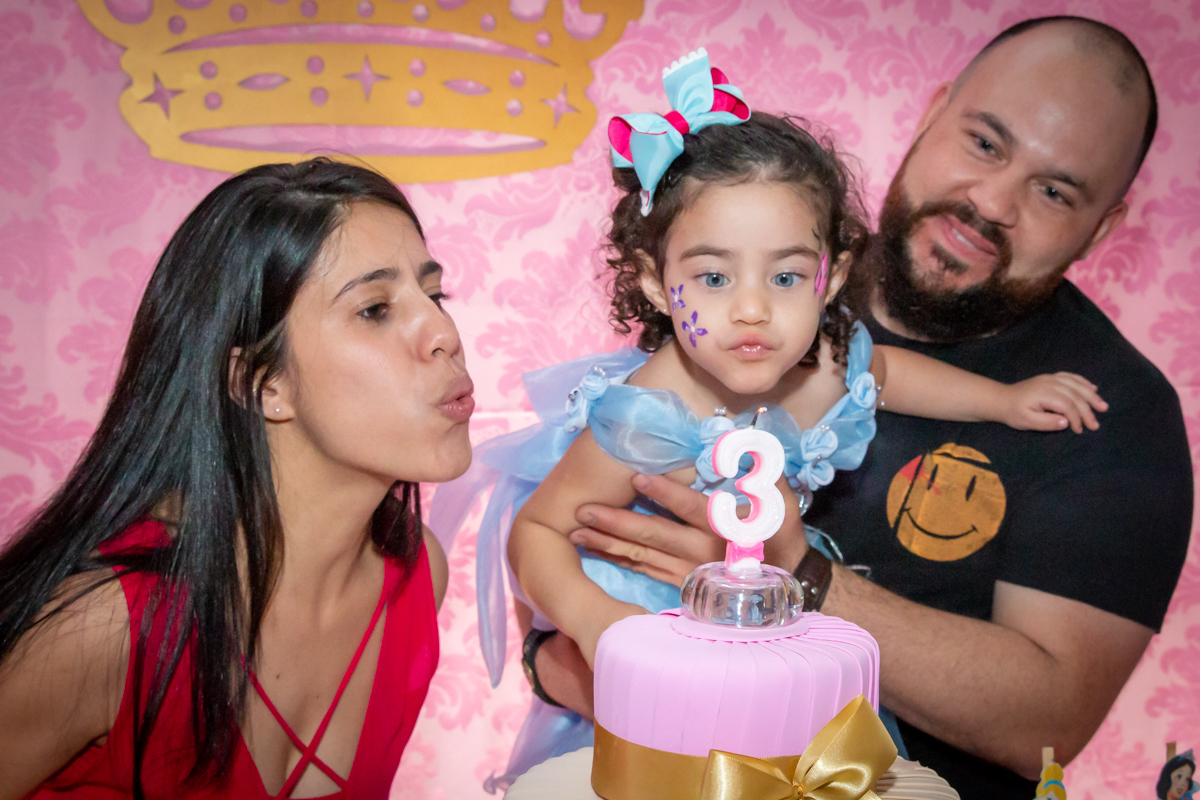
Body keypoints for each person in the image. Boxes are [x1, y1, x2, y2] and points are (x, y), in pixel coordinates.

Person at [431, 49, 1106, 789]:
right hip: (644, 648)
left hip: (765, 634)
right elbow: (536, 531)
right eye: (714, 277)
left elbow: (890, 374)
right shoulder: (648, 415)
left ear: (834, 277)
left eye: (786, 277)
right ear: (656, 282)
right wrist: (595, 623)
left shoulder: (825, 364)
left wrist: (1003, 400)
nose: (752, 308)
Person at [559, 16, 1194, 799]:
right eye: (986, 143)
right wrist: (594, 656)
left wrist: (785, 574)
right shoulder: (760, 260)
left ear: (1102, 229)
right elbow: (568, 547)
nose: (992, 201)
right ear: (932, 113)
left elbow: (1046, 725)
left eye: (1055, 190)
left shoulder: (1113, 417)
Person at [0, 159, 475, 798]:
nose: (444, 333)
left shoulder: (417, 577)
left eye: (434, 294)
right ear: (261, 383)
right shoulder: (105, 629)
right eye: (375, 309)